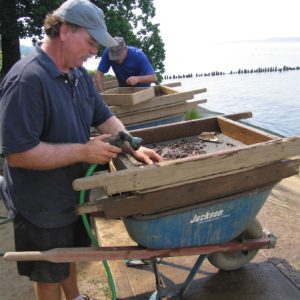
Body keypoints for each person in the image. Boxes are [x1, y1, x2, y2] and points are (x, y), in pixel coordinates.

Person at [0, 1, 162, 300]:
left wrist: (134, 146)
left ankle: (74, 297)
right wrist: (82, 152)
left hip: (71, 192)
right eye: (90, 42)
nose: (94, 52)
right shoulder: (27, 80)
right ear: (64, 31)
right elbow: (17, 153)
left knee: (70, 253)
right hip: (38, 204)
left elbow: (104, 118)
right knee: (48, 271)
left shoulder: (79, 77)